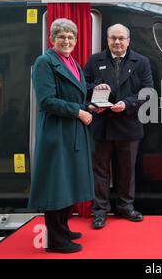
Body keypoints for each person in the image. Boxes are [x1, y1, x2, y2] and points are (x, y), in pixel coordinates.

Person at [28, 18, 96, 253]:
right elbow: (46, 101)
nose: (66, 40)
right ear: (52, 39)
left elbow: (75, 97)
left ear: (76, 41)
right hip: (57, 134)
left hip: (72, 132)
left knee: (67, 183)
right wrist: (78, 112)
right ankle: (55, 240)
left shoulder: (73, 63)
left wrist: (89, 106)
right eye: (61, 36)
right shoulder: (45, 62)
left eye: (70, 37)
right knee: (56, 186)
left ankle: (63, 229)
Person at [84, 23, 153, 229]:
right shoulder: (94, 60)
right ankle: (100, 212)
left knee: (126, 171)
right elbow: (82, 85)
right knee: (100, 171)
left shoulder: (141, 62)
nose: (117, 42)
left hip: (128, 124)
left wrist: (127, 104)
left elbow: (147, 91)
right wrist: (95, 88)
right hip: (101, 125)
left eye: (121, 38)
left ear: (128, 40)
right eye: (113, 38)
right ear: (107, 40)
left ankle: (125, 207)